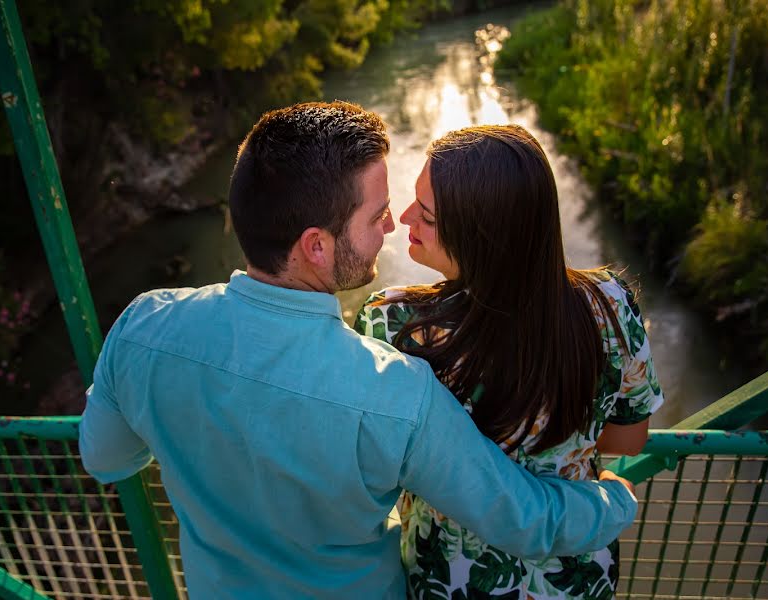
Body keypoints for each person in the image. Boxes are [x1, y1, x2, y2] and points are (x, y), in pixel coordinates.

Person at [78, 103, 638, 600]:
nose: (393, 226)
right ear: (316, 246)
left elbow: (106, 459)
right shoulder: (395, 395)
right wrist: (613, 503)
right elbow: (523, 520)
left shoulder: (141, 328)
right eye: (376, 216)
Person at [354, 124, 664, 599]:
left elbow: (369, 464)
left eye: (429, 217)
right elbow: (629, 437)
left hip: (453, 580)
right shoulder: (610, 303)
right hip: (575, 576)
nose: (406, 217)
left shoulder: (395, 325)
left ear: (484, 236)